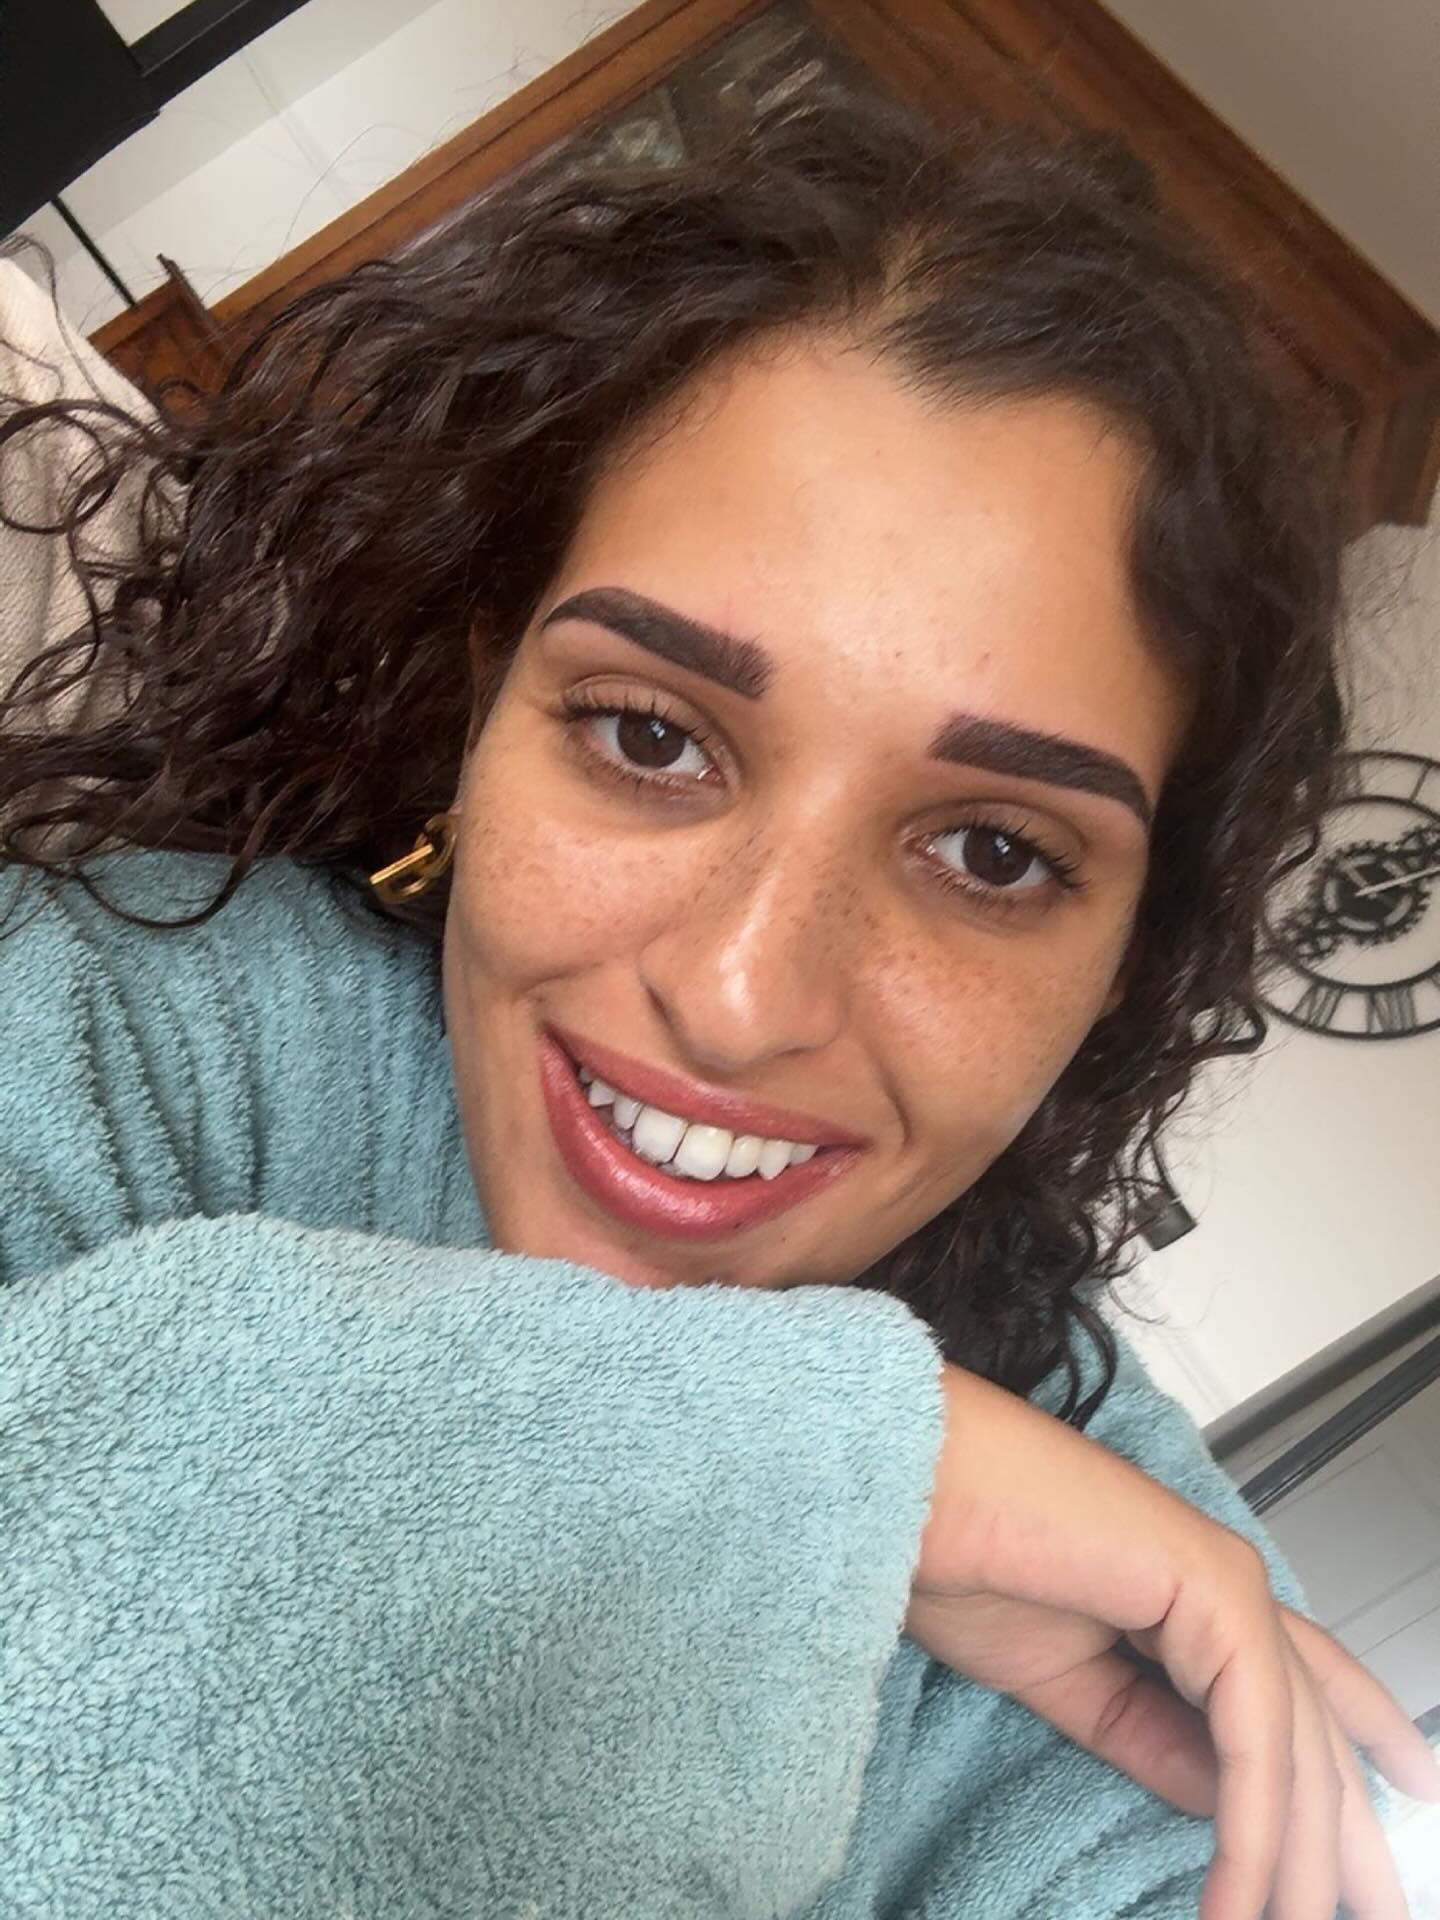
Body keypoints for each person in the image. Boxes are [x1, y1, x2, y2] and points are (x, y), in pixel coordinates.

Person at [2, 91, 1436, 1920]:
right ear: (483, 708)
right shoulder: (135, 1027)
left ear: (1126, 967)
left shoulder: (1146, 1613)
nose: (744, 997)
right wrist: (823, 1482)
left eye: (993, 852)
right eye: (651, 735)